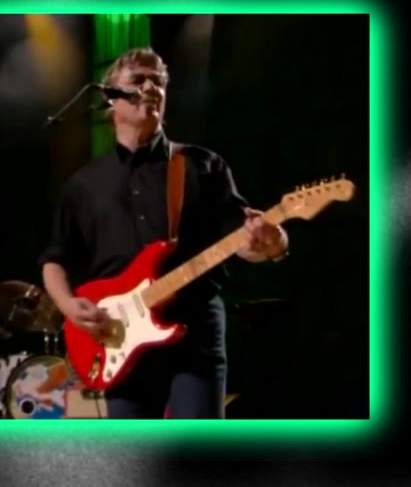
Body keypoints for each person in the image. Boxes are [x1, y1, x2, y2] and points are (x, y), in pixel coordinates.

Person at [40, 47, 288, 419]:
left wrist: (273, 242)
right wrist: (68, 307)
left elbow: (244, 241)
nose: (151, 88)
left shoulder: (201, 165)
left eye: (158, 81)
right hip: (116, 335)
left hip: (194, 330)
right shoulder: (83, 185)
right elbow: (55, 259)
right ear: (111, 97)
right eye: (138, 80)